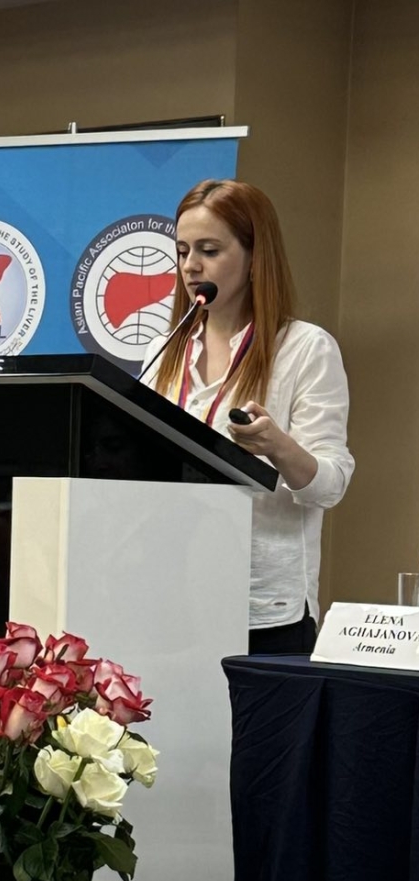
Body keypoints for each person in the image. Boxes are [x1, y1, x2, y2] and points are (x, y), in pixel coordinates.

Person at [139, 179, 353, 656]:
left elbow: (331, 485)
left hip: (265, 609)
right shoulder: (162, 351)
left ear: (256, 257)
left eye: (209, 250)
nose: (191, 266)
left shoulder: (304, 348)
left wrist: (278, 446)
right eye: (182, 251)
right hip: (172, 600)